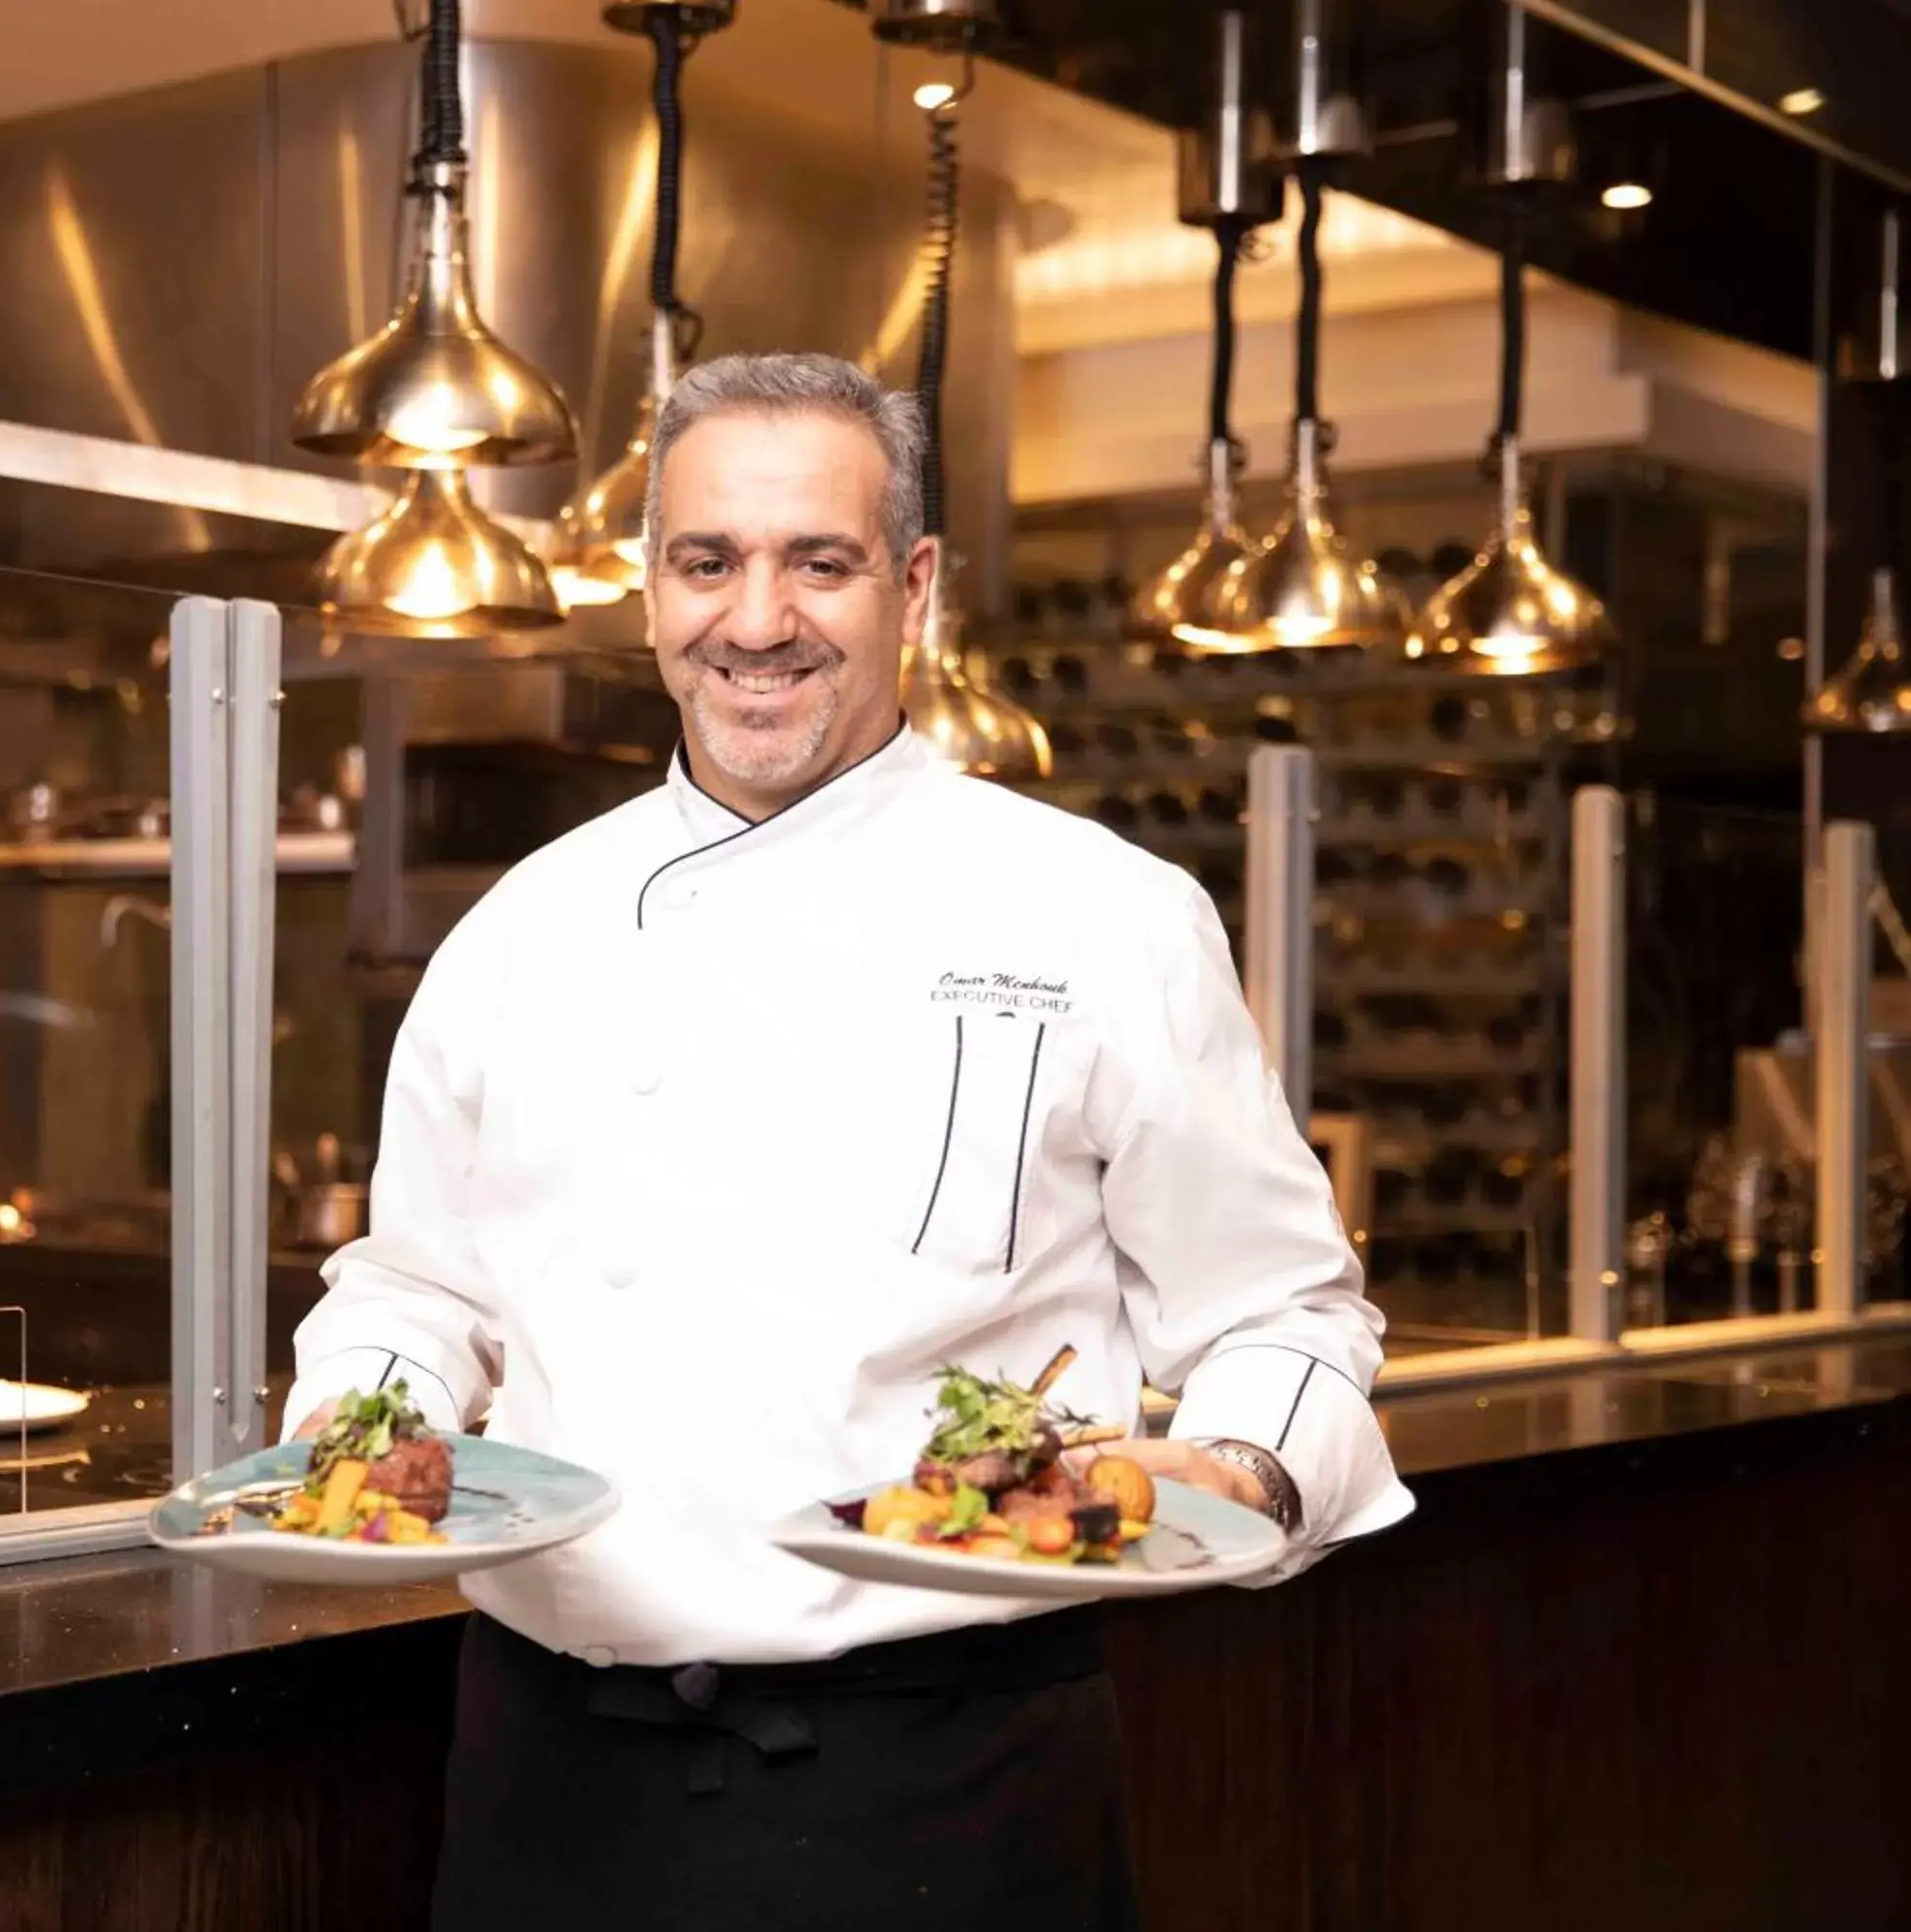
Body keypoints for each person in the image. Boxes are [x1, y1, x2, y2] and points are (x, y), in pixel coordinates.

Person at [282, 353, 1412, 1927]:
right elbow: (419, 1294)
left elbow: (1289, 1312)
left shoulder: (1104, 918)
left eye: (820, 561)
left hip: (949, 1782)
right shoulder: (517, 932)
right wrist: (356, 1444)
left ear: (916, 586)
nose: (756, 622)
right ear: (649, 585)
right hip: (548, 1781)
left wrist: (1229, 1471)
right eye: (707, 562)